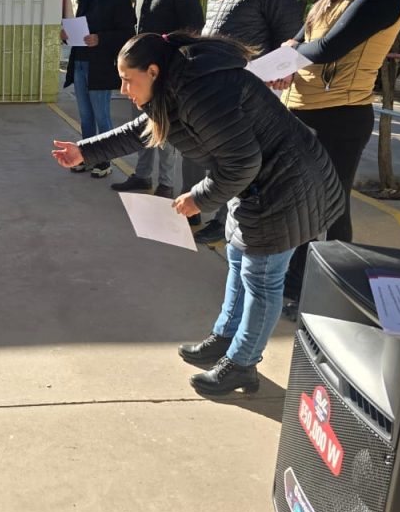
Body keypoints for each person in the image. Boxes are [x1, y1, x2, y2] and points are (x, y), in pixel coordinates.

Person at [52, 32, 344, 395]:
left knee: (263, 279)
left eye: (129, 79)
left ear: (154, 71)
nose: (124, 89)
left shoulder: (201, 92)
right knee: (238, 260)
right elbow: (144, 131)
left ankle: (243, 364)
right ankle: (225, 337)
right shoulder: (175, 88)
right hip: (256, 186)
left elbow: (242, 162)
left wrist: (198, 198)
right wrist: (85, 151)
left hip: (288, 187)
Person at [276, 0, 400, 311]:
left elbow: (328, 48)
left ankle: (335, 293)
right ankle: (297, 282)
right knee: (301, 202)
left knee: (330, 209)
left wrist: (287, 57)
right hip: (308, 107)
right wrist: (289, 52)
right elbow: (306, 37)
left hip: (340, 116)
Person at [188, 0, 303, 243]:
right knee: (219, 158)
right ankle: (220, 217)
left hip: (251, 94)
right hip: (212, 88)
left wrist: (284, 71)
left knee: (241, 161)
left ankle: (231, 224)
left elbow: (290, 42)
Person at [112, 0, 205, 198]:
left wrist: (169, 53)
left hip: (166, 70)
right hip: (140, 70)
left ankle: (165, 184)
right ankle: (142, 176)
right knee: (142, 124)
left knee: (165, 127)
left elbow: (193, 29)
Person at [61, 0, 135, 178]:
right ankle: (85, 155)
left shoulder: (119, 0)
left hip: (101, 66)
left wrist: (100, 38)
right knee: (85, 115)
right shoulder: (85, 1)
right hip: (81, 63)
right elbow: (80, 31)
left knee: (101, 115)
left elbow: (127, 34)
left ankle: (104, 160)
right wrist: (67, 36)